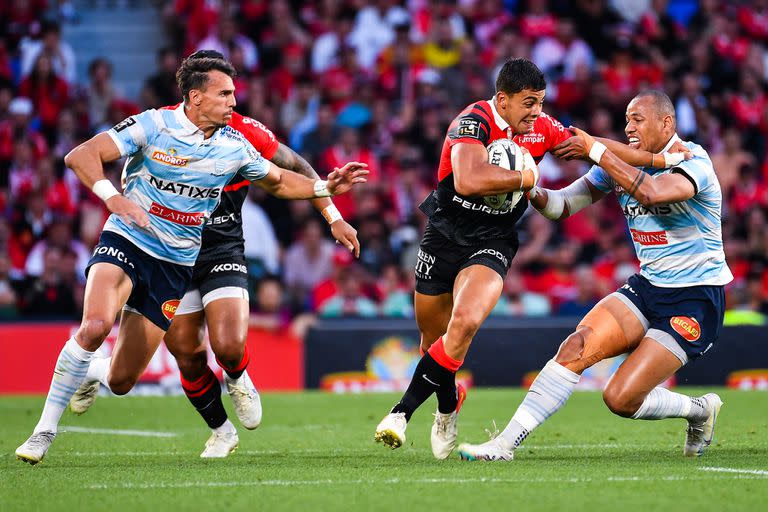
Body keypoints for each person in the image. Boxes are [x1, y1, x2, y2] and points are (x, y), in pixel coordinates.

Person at [15, 54, 367, 465]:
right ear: (196, 97)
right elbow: (81, 155)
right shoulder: (153, 124)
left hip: (176, 262)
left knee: (123, 380)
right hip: (128, 238)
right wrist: (115, 199)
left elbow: (279, 180)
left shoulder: (236, 143)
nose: (234, 102)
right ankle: (43, 432)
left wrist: (324, 187)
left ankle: (95, 372)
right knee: (94, 326)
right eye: (225, 94)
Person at [373, 59, 691, 460]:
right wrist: (525, 179)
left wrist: (659, 160)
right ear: (502, 101)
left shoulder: (540, 128)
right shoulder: (472, 122)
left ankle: (400, 413)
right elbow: (468, 180)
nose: (537, 113)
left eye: (540, 102)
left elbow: (589, 145)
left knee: (466, 321)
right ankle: (449, 404)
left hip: (493, 240)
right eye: (529, 103)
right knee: (432, 343)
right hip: (444, 237)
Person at [457, 90, 731, 461]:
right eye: (627, 119)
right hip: (648, 287)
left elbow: (651, 193)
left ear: (667, 123)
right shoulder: (612, 165)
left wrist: (597, 149)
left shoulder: (692, 159)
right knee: (576, 347)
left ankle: (700, 410)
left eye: (638, 119)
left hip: (696, 297)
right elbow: (562, 205)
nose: (628, 127)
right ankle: (504, 443)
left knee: (619, 398)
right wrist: (525, 186)